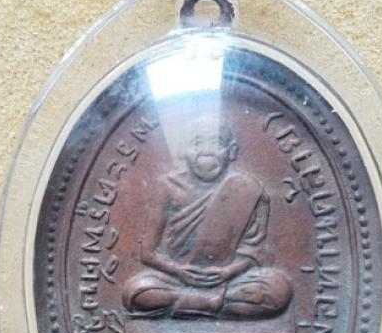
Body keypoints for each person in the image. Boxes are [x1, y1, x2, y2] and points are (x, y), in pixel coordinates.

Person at [123, 117, 292, 319]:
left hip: (229, 280)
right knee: (137, 290)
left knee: (279, 290)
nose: (206, 152)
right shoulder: (167, 186)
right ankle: (214, 305)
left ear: (231, 151)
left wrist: (228, 272)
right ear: (183, 150)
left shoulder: (249, 188)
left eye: (216, 143)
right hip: (176, 278)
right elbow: (148, 253)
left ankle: (189, 304)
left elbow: (253, 250)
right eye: (197, 143)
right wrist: (180, 272)